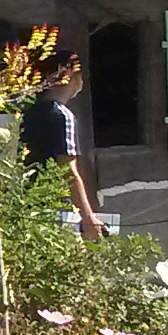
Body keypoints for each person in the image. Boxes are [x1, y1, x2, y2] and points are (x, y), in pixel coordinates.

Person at [18, 53, 106, 240]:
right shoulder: (61, 116)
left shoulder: (26, 111)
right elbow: (68, 171)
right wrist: (88, 218)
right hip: (50, 207)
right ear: (72, 78)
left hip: (21, 203)